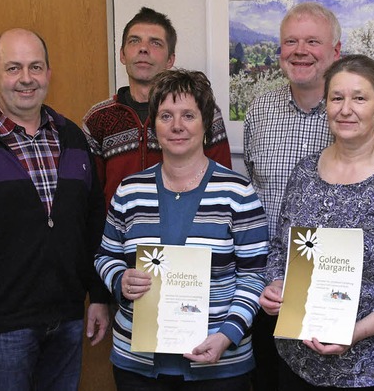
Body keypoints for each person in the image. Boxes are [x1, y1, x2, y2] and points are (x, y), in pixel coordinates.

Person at [259, 54, 374, 390]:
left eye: (359, 98)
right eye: (337, 98)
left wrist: (355, 331)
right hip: (297, 363)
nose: (346, 109)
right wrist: (274, 285)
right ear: (326, 105)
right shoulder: (303, 172)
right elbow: (279, 249)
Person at [94, 69, 269, 390]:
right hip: (137, 363)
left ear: (205, 125)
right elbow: (105, 255)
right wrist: (120, 279)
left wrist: (227, 334)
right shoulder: (130, 190)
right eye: (166, 116)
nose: (176, 126)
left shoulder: (238, 193)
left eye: (188, 115)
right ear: (154, 127)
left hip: (219, 364)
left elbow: (255, 275)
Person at [0, 28, 110, 390]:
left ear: (48, 73)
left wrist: (99, 297)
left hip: (67, 318)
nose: (26, 79)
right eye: (13, 68)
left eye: (35, 67)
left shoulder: (73, 138)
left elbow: (92, 225)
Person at [243, 1, 341, 390]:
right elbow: (254, 182)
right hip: (266, 288)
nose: (300, 51)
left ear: (336, 51)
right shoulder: (260, 110)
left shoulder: (350, 114)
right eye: (291, 42)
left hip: (329, 290)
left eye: (313, 41)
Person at [83, 6, 232, 207]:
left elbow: (222, 181)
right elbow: (89, 195)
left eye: (155, 43)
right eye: (134, 41)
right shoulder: (98, 118)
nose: (143, 49)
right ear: (122, 55)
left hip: (188, 231)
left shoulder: (203, 111)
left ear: (170, 59)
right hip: (121, 232)